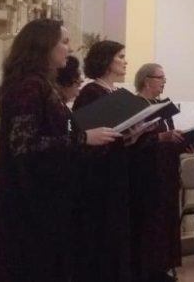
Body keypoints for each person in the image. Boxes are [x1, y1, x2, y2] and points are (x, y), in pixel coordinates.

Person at [0, 19, 119, 282]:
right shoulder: (30, 86)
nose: (69, 49)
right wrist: (82, 139)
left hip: (45, 199)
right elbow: (25, 145)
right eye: (64, 42)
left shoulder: (41, 84)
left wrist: (91, 140)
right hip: (30, 204)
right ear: (44, 45)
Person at [72, 40, 142, 282]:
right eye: (120, 56)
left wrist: (131, 137)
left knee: (117, 230)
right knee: (102, 231)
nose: (125, 61)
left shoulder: (115, 93)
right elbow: (84, 136)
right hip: (99, 176)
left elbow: (113, 136)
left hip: (117, 169)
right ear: (106, 60)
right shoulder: (91, 93)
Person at [130, 64, 194, 282]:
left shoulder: (162, 107)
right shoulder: (135, 105)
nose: (164, 82)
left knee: (167, 220)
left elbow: (168, 137)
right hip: (146, 173)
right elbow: (132, 143)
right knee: (151, 222)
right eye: (160, 78)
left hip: (167, 171)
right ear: (146, 80)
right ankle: (148, 270)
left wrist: (184, 143)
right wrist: (162, 138)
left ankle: (163, 266)